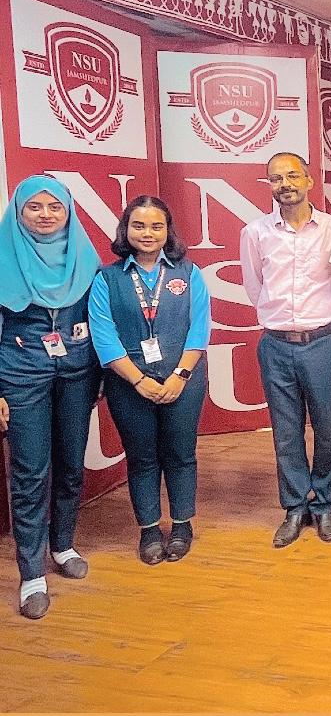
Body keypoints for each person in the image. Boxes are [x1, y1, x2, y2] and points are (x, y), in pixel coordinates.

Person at [88, 196, 211, 565]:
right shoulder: (107, 279)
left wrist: (180, 375)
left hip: (183, 380)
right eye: (138, 225)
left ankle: (182, 526)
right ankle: (149, 530)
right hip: (128, 384)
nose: (147, 233)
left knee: (181, 454)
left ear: (167, 230)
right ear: (125, 229)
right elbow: (104, 336)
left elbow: (199, 329)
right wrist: (139, 380)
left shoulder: (188, 273)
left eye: (157, 226)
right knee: (142, 458)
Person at [0, 176, 102, 620]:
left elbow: (100, 322)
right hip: (19, 374)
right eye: (34, 207)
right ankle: (32, 574)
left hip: (78, 372)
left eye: (54, 207)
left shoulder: (86, 257)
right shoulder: (2, 256)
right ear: (18, 212)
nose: (45, 215)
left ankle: (62, 545)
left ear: (68, 212)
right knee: (29, 472)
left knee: (71, 463)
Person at [240, 153, 331, 548]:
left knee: (327, 429)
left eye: (292, 176)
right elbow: (255, 286)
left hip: (323, 343)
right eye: (275, 178)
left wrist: (321, 316)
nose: (284, 184)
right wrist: (281, 319)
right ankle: (294, 506)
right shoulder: (255, 233)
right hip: (276, 345)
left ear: (309, 181)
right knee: (286, 433)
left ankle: (324, 503)